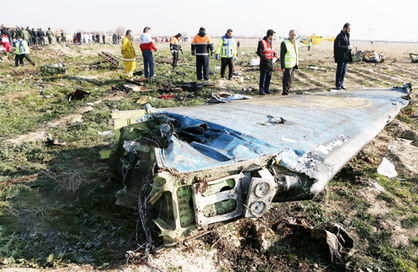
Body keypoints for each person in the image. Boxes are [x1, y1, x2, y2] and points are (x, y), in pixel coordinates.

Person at [256, 29, 276, 95]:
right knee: (263, 77)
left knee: (268, 77)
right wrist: (265, 58)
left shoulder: (271, 42)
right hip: (264, 63)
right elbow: (259, 52)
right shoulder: (262, 42)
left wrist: (274, 54)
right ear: (270, 35)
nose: (273, 37)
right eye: (273, 35)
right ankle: (261, 90)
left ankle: (266, 89)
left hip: (270, 62)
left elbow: (270, 50)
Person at [334, 23, 352, 90]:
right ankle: (338, 84)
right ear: (345, 28)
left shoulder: (347, 35)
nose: (349, 30)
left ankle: (341, 83)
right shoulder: (339, 36)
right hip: (340, 56)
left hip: (345, 56)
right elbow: (337, 46)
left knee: (344, 71)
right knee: (340, 71)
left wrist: (349, 48)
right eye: (348, 28)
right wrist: (347, 47)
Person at [280, 29, 299, 95]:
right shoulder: (284, 43)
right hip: (287, 65)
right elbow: (282, 56)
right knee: (286, 80)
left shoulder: (295, 42)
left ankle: (287, 91)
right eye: (292, 34)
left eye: (294, 35)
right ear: (289, 35)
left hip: (293, 64)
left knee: (290, 80)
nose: (293, 36)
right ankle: (285, 93)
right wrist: (282, 66)